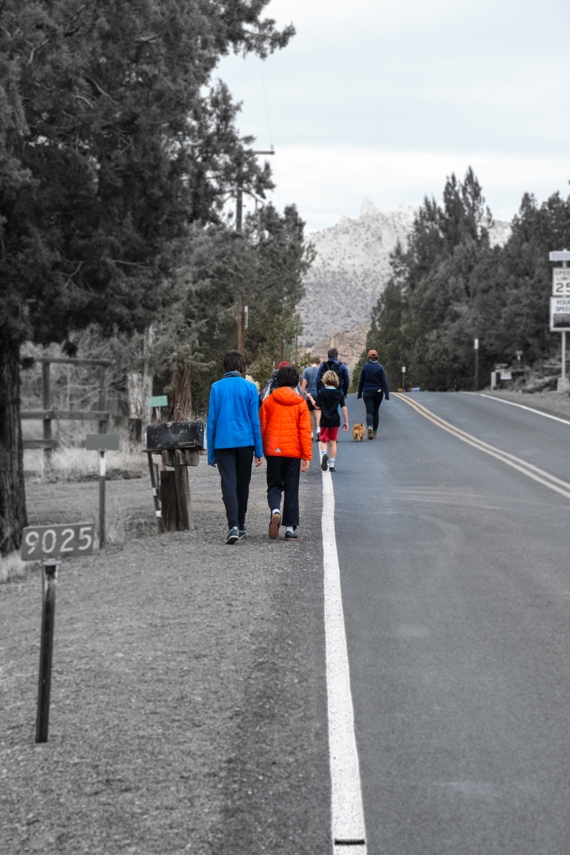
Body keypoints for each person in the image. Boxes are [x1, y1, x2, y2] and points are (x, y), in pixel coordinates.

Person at [207, 350, 264, 544]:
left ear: (225, 367)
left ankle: (232, 525)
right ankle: (241, 523)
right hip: (245, 442)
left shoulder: (216, 388)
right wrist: (259, 449)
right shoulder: (249, 388)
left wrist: (211, 454)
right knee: (242, 484)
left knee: (228, 483)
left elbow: (212, 421)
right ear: (240, 368)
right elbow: (255, 421)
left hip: (223, 443)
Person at [260, 365, 312, 541]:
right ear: (296, 382)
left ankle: (275, 511)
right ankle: (289, 529)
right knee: (291, 488)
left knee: (274, 486)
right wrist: (306, 456)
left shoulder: (268, 402)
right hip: (293, 451)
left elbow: (263, 428)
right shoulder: (300, 403)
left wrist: (260, 451)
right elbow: (304, 431)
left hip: (274, 451)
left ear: (278, 381)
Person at [313, 369, 348, 472]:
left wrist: (311, 399)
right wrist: (346, 421)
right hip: (335, 420)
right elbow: (344, 408)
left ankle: (324, 454)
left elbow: (317, 407)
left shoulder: (321, 393)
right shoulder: (339, 393)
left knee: (323, 440)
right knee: (333, 442)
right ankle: (332, 465)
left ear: (324, 381)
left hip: (324, 420)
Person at [357, 349, 390, 439]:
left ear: (368, 357)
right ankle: (374, 431)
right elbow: (384, 381)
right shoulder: (380, 367)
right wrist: (387, 394)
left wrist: (359, 393)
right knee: (376, 411)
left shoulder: (365, 367)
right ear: (377, 357)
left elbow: (361, 381)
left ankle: (369, 426)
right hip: (378, 392)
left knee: (369, 412)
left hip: (367, 391)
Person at [301, 356, 321, 441]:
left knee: (310, 414)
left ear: (310, 363)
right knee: (318, 412)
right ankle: (319, 429)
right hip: (319, 394)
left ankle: (311, 433)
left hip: (309, 395)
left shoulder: (306, 371)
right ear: (319, 364)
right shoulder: (321, 370)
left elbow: (304, 383)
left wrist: (303, 393)